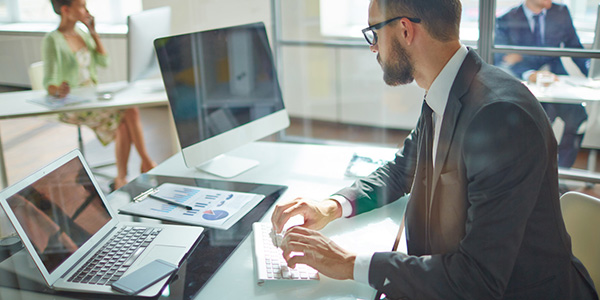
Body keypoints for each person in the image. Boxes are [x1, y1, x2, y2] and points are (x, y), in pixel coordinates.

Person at [271, 0, 599, 299]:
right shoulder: (448, 88)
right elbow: (403, 169)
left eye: (374, 32)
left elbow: (478, 280)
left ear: (404, 29)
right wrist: (332, 206)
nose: (373, 48)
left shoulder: (498, 116)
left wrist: (348, 263)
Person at [43, 0, 156, 189]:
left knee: (129, 112)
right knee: (126, 117)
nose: (86, 10)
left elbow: (104, 61)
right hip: (73, 105)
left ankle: (123, 177)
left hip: (92, 97)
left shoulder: (82, 33)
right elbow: (48, 82)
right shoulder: (52, 40)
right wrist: (58, 90)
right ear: (65, 9)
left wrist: (93, 33)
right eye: (81, 5)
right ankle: (145, 164)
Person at [495, 0, 590, 169]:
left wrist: (592, 72)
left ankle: (561, 171)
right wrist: (530, 73)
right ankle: (536, 173)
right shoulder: (507, 19)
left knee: (579, 118)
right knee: (537, 127)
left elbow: (576, 48)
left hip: (556, 80)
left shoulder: (560, 12)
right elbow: (501, 59)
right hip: (528, 84)